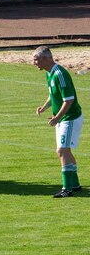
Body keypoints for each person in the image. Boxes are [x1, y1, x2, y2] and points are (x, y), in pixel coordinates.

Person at [33, 46, 82, 198]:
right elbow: (53, 94)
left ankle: (67, 189)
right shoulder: (50, 73)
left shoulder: (60, 74)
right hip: (63, 118)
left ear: (47, 59)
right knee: (65, 151)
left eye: (36, 59)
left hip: (70, 117)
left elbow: (69, 100)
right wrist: (45, 107)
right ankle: (75, 185)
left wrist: (58, 117)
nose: (34, 62)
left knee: (62, 151)